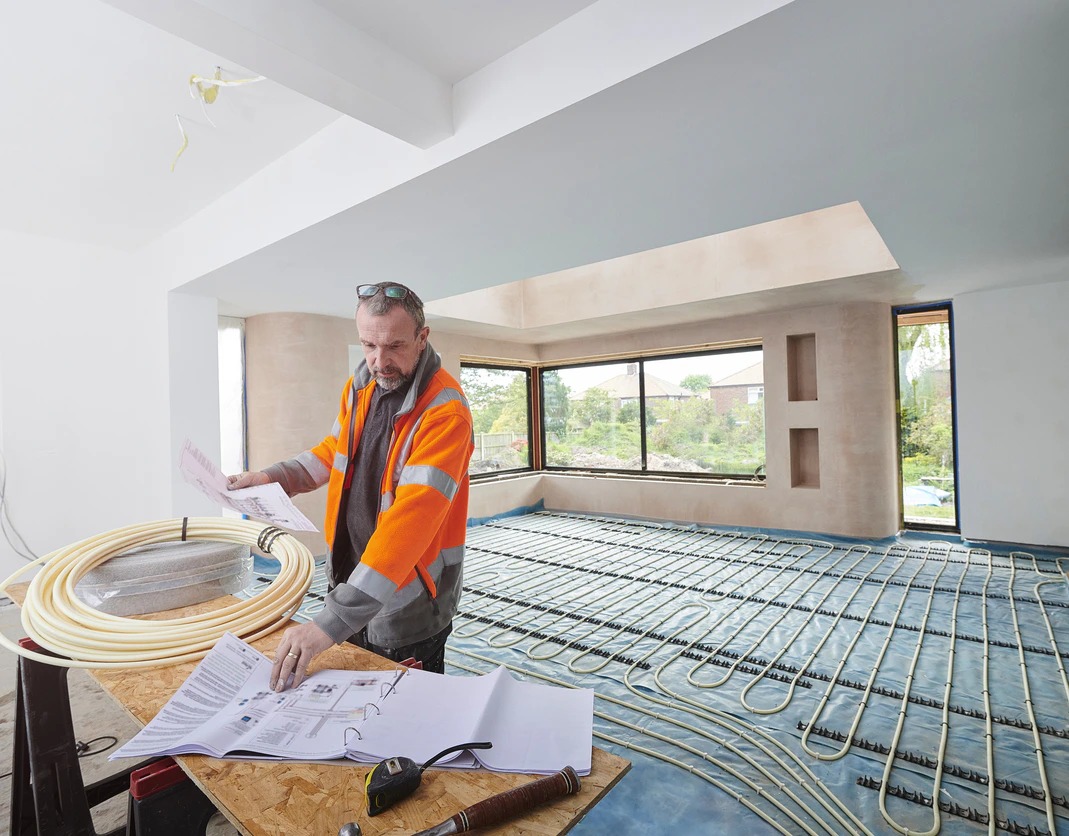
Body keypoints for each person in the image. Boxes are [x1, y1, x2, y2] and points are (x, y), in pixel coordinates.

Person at [228, 282, 473, 690]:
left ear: (422, 337)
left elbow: (408, 525)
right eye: (369, 346)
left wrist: (329, 623)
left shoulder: (446, 412)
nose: (380, 361)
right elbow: (334, 451)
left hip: (408, 603)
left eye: (394, 346)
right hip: (349, 580)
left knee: (405, 722)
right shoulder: (360, 387)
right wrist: (274, 477)